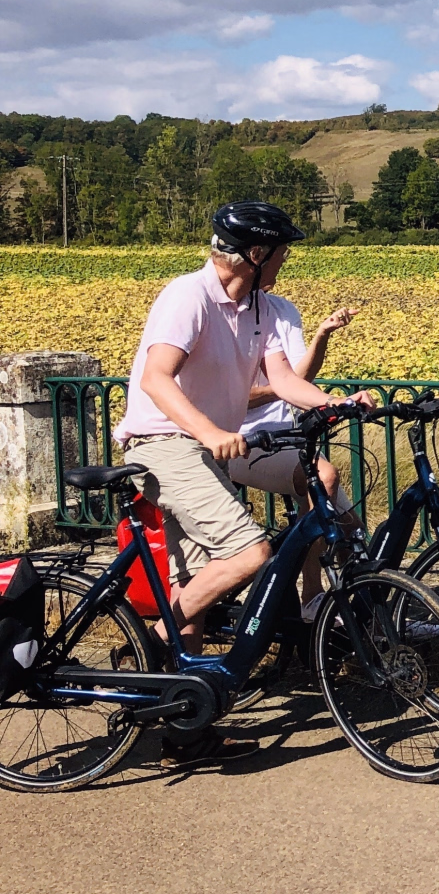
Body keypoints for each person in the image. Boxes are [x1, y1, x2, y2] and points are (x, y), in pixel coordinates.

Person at [114, 202, 369, 763]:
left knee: (195, 580)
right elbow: (156, 378)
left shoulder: (258, 307)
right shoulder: (188, 296)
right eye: (281, 253)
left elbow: (283, 380)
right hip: (163, 442)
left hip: (205, 449)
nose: (285, 262)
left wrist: (334, 402)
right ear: (256, 253)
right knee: (250, 553)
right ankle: (150, 644)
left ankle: (186, 730)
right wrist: (209, 430)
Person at [229, 303, 361, 617]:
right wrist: (283, 389)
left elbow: (301, 377)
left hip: (286, 439)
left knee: (352, 531)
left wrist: (322, 335)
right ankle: (311, 596)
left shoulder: (283, 310)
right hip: (239, 441)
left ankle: (365, 618)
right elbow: (232, 398)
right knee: (324, 477)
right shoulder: (226, 315)